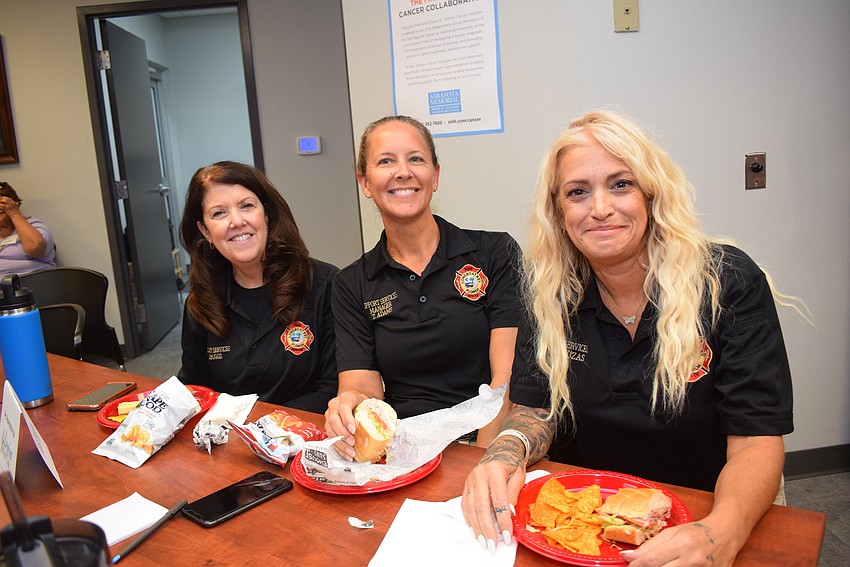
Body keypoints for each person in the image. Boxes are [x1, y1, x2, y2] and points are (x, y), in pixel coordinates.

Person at [461, 110, 795, 565]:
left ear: (652, 195)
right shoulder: (548, 294)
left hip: (703, 511)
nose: (599, 208)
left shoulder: (728, 282)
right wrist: (504, 454)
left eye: (621, 184)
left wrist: (721, 532)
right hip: (590, 520)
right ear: (558, 213)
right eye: (578, 192)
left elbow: (756, 438)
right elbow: (536, 407)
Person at [324, 115, 521, 455]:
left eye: (415, 159)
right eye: (386, 161)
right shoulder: (351, 283)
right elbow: (361, 387)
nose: (402, 171)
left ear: (436, 175)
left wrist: (481, 462)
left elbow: (506, 382)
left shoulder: (494, 253)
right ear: (365, 183)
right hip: (406, 449)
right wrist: (350, 403)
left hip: (489, 440)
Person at [178, 161, 338, 413]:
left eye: (246, 206)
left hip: (306, 440)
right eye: (219, 213)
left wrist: (259, 428)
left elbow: (333, 389)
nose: (237, 221)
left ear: (266, 213)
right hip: (228, 442)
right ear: (205, 231)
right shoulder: (200, 303)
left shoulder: (324, 283)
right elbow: (194, 390)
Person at [0, 181, 57, 277]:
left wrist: (14, 214)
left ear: (15, 204)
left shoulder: (34, 225)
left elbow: (35, 248)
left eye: (2, 203)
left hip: (33, 284)